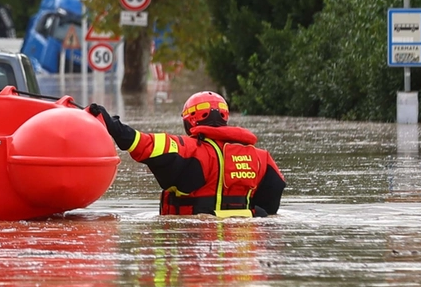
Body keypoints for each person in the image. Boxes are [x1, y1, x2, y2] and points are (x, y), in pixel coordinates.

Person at [87, 91, 285, 217]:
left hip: (193, 243)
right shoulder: (261, 157)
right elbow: (271, 205)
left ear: (189, 121)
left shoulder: (185, 148)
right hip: (239, 247)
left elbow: (139, 142)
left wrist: (109, 122)